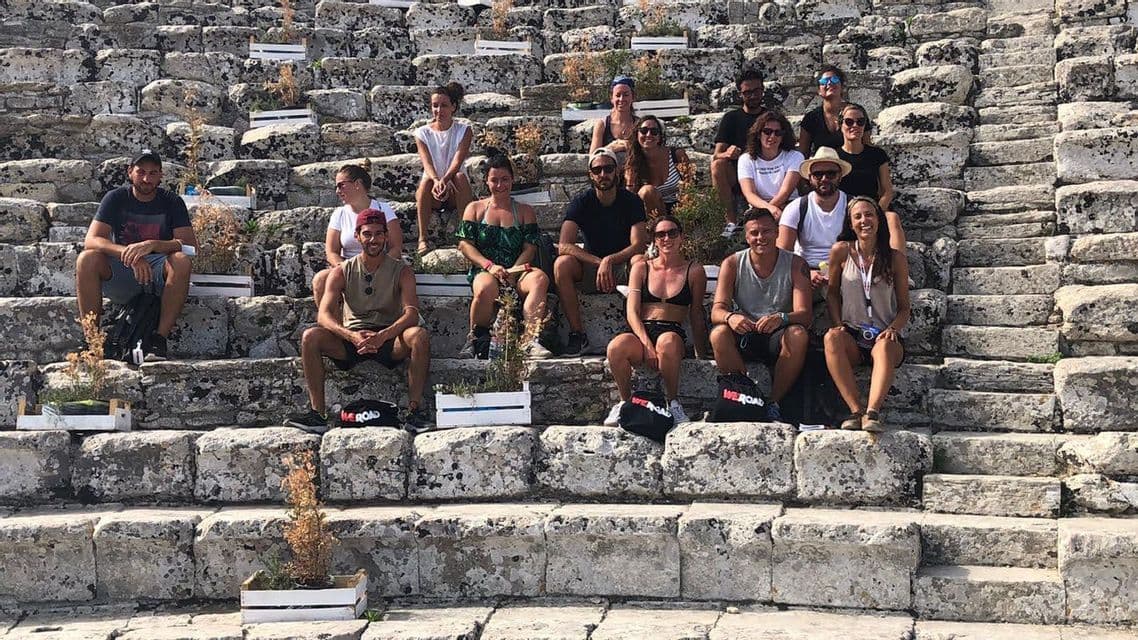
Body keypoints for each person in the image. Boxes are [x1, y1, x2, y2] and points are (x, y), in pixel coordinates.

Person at [288, 210, 431, 434]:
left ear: (386, 237)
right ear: (357, 236)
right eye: (367, 234)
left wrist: (383, 335)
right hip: (353, 338)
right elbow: (323, 315)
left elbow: (411, 313)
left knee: (418, 336)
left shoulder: (402, 271)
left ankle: (414, 412)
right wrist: (350, 335)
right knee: (310, 337)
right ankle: (318, 414)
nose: (373, 239)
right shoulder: (342, 271)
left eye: (378, 234)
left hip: (388, 337)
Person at [75, 150, 196, 360]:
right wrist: (129, 253)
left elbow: (190, 246)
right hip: (124, 270)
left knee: (181, 261)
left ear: (161, 176)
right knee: (87, 259)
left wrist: (153, 245)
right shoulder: (116, 198)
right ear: (130, 172)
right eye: (141, 172)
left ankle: (159, 340)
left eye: (153, 173)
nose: (147, 179)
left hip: (158, 273)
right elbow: (92, 240)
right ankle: (92, 340)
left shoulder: (172, 201)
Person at [603, 215, 708, 427]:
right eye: (661, 234)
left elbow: (696, 313)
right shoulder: (642, 267)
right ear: (654, 240)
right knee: (616, 347)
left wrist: (701, 352)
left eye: (672, 233)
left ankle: (673, 402)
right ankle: (625, 402)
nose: (667, 238)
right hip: (642, 328)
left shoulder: (694, 270)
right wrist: (646, 344)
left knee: (667, 342)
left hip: (671, 330)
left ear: (681, 237)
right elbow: (632, 311)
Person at [710, 208, 811, 420]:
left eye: (766, 231)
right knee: (718, 334)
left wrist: (781, 318)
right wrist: (731, 317)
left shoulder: (796, 264)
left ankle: (773, 402)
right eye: (754, 233)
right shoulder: (732, 263)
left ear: (777, 232)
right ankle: (744, 392)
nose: (760, 238)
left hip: (777, 333)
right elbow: (717, 310)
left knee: (798, 334)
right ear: (746, 237)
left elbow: (805, 314)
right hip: (746, 330)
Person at [823, 196, 910, 433]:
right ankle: (855, 410)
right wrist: (838, 323)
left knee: (883, 346)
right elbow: (831, 294)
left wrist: (893, 329)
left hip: (884, 334)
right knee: (831, 338)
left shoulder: (895, 258)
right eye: (858, 216)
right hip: (853, 332)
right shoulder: (841, 252)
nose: (864, 221)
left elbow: (904, 307)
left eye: (869, 215)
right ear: (850, 224)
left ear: (879, 220)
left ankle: (872, 412)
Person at [455, 154, 552, 359]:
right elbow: (465, 244)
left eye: (505, 179)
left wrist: (513, 273)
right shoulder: (474, 209)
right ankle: (475, 338)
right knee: (485, 288)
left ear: (512, 179)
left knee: (539, 279)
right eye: (494, 180)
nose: (500, 185)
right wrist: (489, 266)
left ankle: (531, 338)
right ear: (486, 181)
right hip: (485, 268)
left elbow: (529, 248)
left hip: (516, 269)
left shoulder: (525, 211)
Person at [554, 148, 649, 356]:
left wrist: (610, 260)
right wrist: (600, 262)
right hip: (593, 268)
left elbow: (639, 244)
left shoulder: (631, 202)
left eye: (608, 168)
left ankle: (638, 329)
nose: (603, 174)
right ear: (591, 174)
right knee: (562, 264)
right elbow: (564, 245)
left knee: (639, 261)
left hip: (623, 266)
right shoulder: (582, 201)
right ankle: (578, 334)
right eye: (597, 170)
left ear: (617, 171)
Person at [312, 161, 403, 308]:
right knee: (320, 280)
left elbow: (396, 248)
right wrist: (347, 269)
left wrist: (377, 269)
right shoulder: (339, 214)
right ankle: (333, 326)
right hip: (348, 267)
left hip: (380, 266)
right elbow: (331, 251)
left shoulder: (384, 209)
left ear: (357, 184)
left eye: (341, 185)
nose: (337, 191)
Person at [777, 147, 851, 292]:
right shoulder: (796, 208)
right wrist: (806, 274)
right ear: (809, 178)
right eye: (818, 174)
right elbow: (782, 254)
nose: (824, 179)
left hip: (845, 270)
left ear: (840, 176)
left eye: (830, 173)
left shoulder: (853, 207)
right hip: (805, 270)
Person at [836, 103, 907, 250]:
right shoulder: (834, 156)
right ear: (840, 125)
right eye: (849, 121)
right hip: (843, 211)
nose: (854, 125)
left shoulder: (877, 155)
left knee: (893, 219)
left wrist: (876, 212)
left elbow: (887, 191)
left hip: (873, 208)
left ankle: (900, 268)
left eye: (860, 122)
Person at [414, 82, 473, 256]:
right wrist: (436, 181)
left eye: (444, 105)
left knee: (460, 177)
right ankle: (422, 238)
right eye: (435, 106)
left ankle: (465, 236)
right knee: (424, 184)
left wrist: (445, 180)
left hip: (454, 188)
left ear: (453, 107)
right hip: (433, 188)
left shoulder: (464, 130)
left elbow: (457, 161)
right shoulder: (422, 133)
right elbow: (427, 162)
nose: (439, 110)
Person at [712, 69, 768, 237]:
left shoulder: (770, 117)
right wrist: (727, 154)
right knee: (718, 165)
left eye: (756, 91)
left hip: (766, 172)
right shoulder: (731, 118)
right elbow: (716, 154)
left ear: (762, 90)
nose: (752, 96)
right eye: (747, 92)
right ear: (740, 94)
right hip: (737, 175)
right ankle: (731, 222)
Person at [737, 111, 804, 219]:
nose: (772, 136)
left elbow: (785, 192)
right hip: (758, 207)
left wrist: (769, 211)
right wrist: (769, 209)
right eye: (767, 132)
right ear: (758, 134)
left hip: (788, 205)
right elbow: (749, 194)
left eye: (778, 133)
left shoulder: (795, 157)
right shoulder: (746, 159)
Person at [624, 115, 689, 216]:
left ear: (659, 137)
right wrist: (630, 183)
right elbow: (629, 200)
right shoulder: (633, 163)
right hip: (653, 214)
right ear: (637, 134)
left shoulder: (677, 155)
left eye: (654, 131)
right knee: (647, 191)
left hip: (681, 207)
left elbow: (691, 186)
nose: (649, 135)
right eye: (644, 130)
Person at [798, 65, 851, 157]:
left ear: (842, 87)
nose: (829, 83)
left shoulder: (856, 114)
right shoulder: (811, 118)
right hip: (823, 169)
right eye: (824, 81)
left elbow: (866, 146)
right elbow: (803, 153)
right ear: (819, 90)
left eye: (834, 80)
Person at [590, 75, 636, 155]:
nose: (621, 99)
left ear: (633, 97)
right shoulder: (602, 125)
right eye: (618, 95)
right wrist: (611, 148)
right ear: (612, 98)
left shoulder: (639, 124)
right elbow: (593, 158)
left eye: (626, 95)